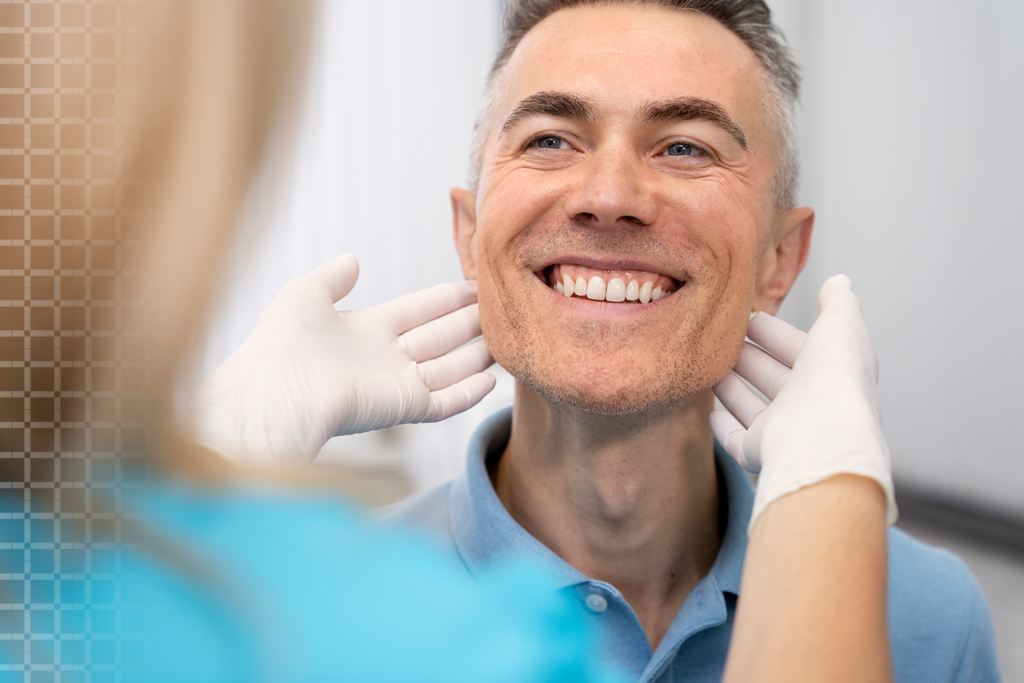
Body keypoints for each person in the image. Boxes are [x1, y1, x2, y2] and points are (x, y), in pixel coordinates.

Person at [2, 0, 906, 681]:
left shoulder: (925, 618)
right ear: (469, 237)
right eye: (551, 137)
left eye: (685, 148)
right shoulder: (334, 620)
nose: (610, 192)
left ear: (781, 259)